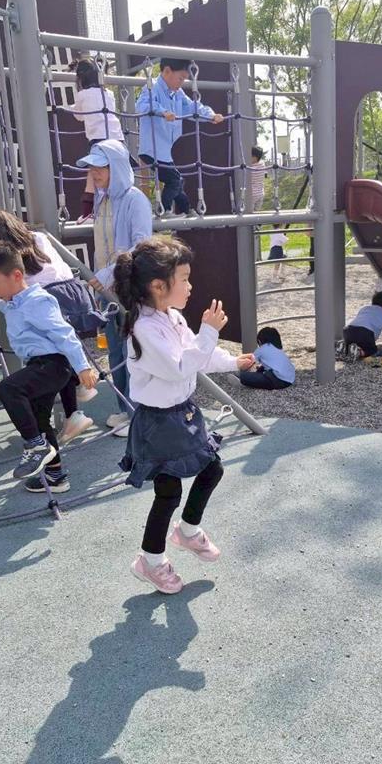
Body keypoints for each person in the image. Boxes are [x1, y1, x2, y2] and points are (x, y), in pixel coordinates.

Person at [113, 235, 254, 594]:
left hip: (182, 413)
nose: (191, 286)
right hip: (158, 422)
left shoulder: (171, 317)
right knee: (168, 492)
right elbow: (179, 367)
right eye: (185, 279)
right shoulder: (144, 329)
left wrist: (231, 361)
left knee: (212, 468)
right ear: (158, 286)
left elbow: (197, 355)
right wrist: (209, 331)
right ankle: (151, 561)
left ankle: (188, 531)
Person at [0, 212, 92, 444]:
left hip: (47, 301)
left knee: (51, 355)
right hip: (72, 291)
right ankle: (72, 411)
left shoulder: (14, 268)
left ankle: (63, 414)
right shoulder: (37, 238)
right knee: (56, 362)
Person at [0, 241, 98, 492]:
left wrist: (82, 367)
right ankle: (55, 476)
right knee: (39, 418)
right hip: (39, 365)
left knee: (9, 389)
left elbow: (64, 333)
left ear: (17, 275)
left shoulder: (37, 301)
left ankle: (35, 445)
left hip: (53, 365)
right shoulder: (11, 301)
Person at [78, 140, 153, 438]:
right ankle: (125, 407)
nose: (95, 172)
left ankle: (137, 413)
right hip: (107, 289)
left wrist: (109, 272)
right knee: (113, 348)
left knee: (130, 350)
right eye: (92, 167)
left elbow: (142, 244)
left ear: (117, 167)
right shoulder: (103, 199)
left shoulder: (135, 199)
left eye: (101, 167)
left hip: (127, 286)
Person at [136, 57, 225, 215]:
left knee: (178, 180)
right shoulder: (152, 87)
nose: (181, 83)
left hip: (165, 151)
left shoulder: (177, 93)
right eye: (180, 78)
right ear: (167, 71)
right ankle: (163, 210)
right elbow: (142, 105)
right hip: (152, 149)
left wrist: (210, 115)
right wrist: (162, 112)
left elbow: (192, 107)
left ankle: (186, 209)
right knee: (174, 180)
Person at [68, 58, 125, 222]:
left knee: (93, 177)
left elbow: (78, 116)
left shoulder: (82, 95)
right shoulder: (109, 94)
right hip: (117, 139)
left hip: (99, 141)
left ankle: (88, 213)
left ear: (81, 79)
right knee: (115, 176)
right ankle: (118, 210)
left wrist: (70, 108)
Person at [339, 291, 382, 361]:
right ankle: (358, 353)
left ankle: (344, 350)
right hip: (364, 333)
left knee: (355, 345)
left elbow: (360, 321)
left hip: (348, 331)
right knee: (371, 350)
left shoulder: (364, 308)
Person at [249, 145, 267, 211]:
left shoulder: (250, 167)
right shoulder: (262, 164)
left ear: (255, 157)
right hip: (260, 194)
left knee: (249, 213)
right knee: (256, 212)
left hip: (251, 195)